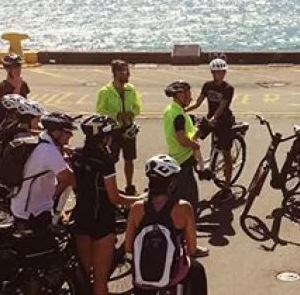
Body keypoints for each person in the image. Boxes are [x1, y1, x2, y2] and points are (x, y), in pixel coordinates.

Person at [73, 115, 142, 295]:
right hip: (101, 221)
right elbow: (114, 197)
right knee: (100, 283)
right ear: (104, 136)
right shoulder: (105, 160)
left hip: (80, 217)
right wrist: (139, 199)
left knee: (83, 276)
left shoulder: (77, 155)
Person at [126, 155, 208, 294]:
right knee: (197, 270)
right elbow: (192, 249)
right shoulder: (183, 208)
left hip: (143, 279)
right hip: (173, 275)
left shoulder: (136, 208)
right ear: (172, 183)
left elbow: (128, 247)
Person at [10, 111, 76, 242]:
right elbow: (70, 178)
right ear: (56, 133)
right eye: (68, 132)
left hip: (22, 202)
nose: (71, 135)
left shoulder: (43, 140)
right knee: (50, 253)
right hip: (33, 211)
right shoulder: (48, 151)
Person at [161, 81, 208, 257]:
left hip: (175, 160)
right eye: (187, 93)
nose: (190, 97)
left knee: (174, 202)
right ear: (178, 95)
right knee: (190, 207)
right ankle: (192, 247)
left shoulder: (171, 110)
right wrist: (194, 144)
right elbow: (182, 139)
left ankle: (176, 240)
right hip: (183, 162)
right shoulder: (179, 115)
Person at [185, 58, 233, 196]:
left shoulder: (228, 88)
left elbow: (222, 106)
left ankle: (227, 186)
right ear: (212, 72)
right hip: (210, 119)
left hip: (224, 121)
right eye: (218, 72)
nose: (221, 74)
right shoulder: (207, 86)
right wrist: (183, 110)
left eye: (223, 72)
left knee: (226, 153)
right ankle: (202, 168)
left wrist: (214, 119)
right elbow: (198, 103)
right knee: (193, 138)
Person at [95, 59, 143, 195]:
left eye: (127, 71)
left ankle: (129, 186)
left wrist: (132, 113)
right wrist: (116, 115)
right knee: (111, 160)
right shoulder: (105, 91)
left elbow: (138, 106)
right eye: (123, 72)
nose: (127, 74)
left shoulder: (131, 89)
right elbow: (100, 110)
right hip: (112, 131)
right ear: (115, 73)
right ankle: (110, 187)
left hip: (128, 128)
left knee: (129, 158)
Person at [0, 53, 30, 127]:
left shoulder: (23, 85)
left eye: (19, 66)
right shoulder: (2, 88)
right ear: (8, 69)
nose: (18, 69)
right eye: (15, 67)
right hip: (6, 126)